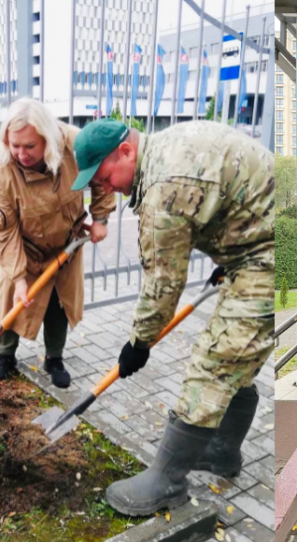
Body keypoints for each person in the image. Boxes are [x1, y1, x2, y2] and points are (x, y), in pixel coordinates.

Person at [69, 119, 273, 516]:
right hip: (262, 243)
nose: (104, 187)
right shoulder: (166, 149)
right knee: (238, 358)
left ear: (126, 152)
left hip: (269, 257)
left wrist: (138, 343)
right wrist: (230, 257)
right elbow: (226, 199)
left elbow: (163, 283)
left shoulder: (163, 186)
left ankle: (167, 481)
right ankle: (220, 452)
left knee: (217, 360)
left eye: (104, 175)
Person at [0, 98, 113, 388]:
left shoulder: (75, 145)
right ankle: (5, 355)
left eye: (29, 146)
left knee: (58, 303)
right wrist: (18, 278)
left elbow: (102, 176)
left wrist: (100, 218)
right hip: (24, 247)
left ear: (48, 138)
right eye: (15, 145)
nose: (21, 153)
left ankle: (54, 358)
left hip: (66, 244)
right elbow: (5, 231)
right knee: (12, 301)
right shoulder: (1, 170)